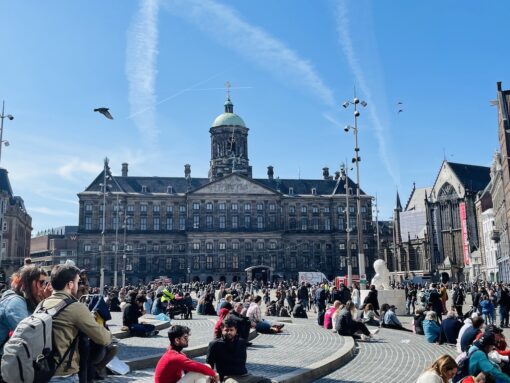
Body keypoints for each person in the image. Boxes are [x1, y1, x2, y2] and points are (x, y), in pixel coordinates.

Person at [40, 264, 112, 382]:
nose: (79, 285)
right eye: (78, 282)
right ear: (70, 284)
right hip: (63, 374)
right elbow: (104, 338)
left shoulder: (42, 304)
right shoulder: (74, 306)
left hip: (44, 371)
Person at [207, 316, 272, 382]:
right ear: (222, 329)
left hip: (244, 375)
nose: (229, 332)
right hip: (227, 377)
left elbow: (243, 361)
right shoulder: (215, 344)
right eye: (226, 330)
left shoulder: (241, 342)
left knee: (269, 381)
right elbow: (209, 365)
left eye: (231, 330)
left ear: (236, 330)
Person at [155, 325, 219, 383]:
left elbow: (188, 371)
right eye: (185, 338)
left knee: (207, 367)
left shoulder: (176, 353)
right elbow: (197, 366)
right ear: (177, 340)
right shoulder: (174, 357)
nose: (188, 339)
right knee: (197, 372)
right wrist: (214, 374)